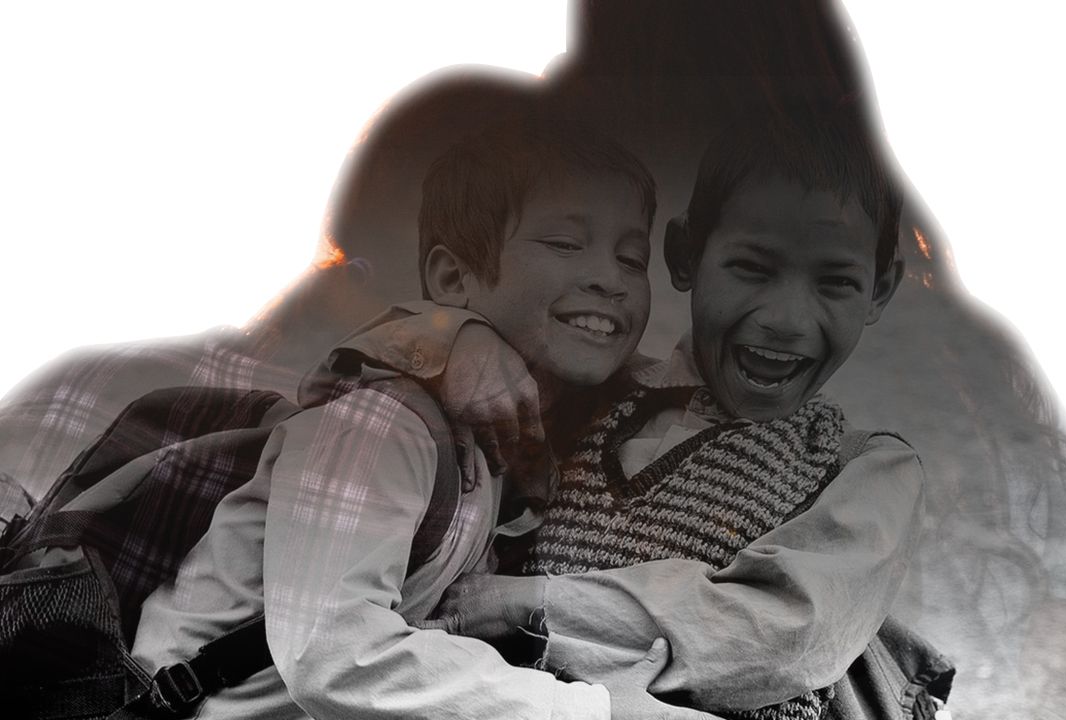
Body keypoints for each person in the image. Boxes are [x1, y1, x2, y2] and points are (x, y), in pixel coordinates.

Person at [346, 101, 928, 718]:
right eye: (752, 268)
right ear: (683, 255)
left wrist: (525, 603)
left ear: (879, 290)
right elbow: (363, 370)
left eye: (835, 281)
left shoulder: (869, 473)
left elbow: (782, 635)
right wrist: (453, 337)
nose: (786, 320)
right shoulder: (586, 393)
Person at [130, 116, 714, 720]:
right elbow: (334, 657)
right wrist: (595, 711)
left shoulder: (522, 444)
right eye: (565, 244)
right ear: (452, 278)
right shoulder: (382, 425)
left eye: (631, 258)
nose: (609, 279)